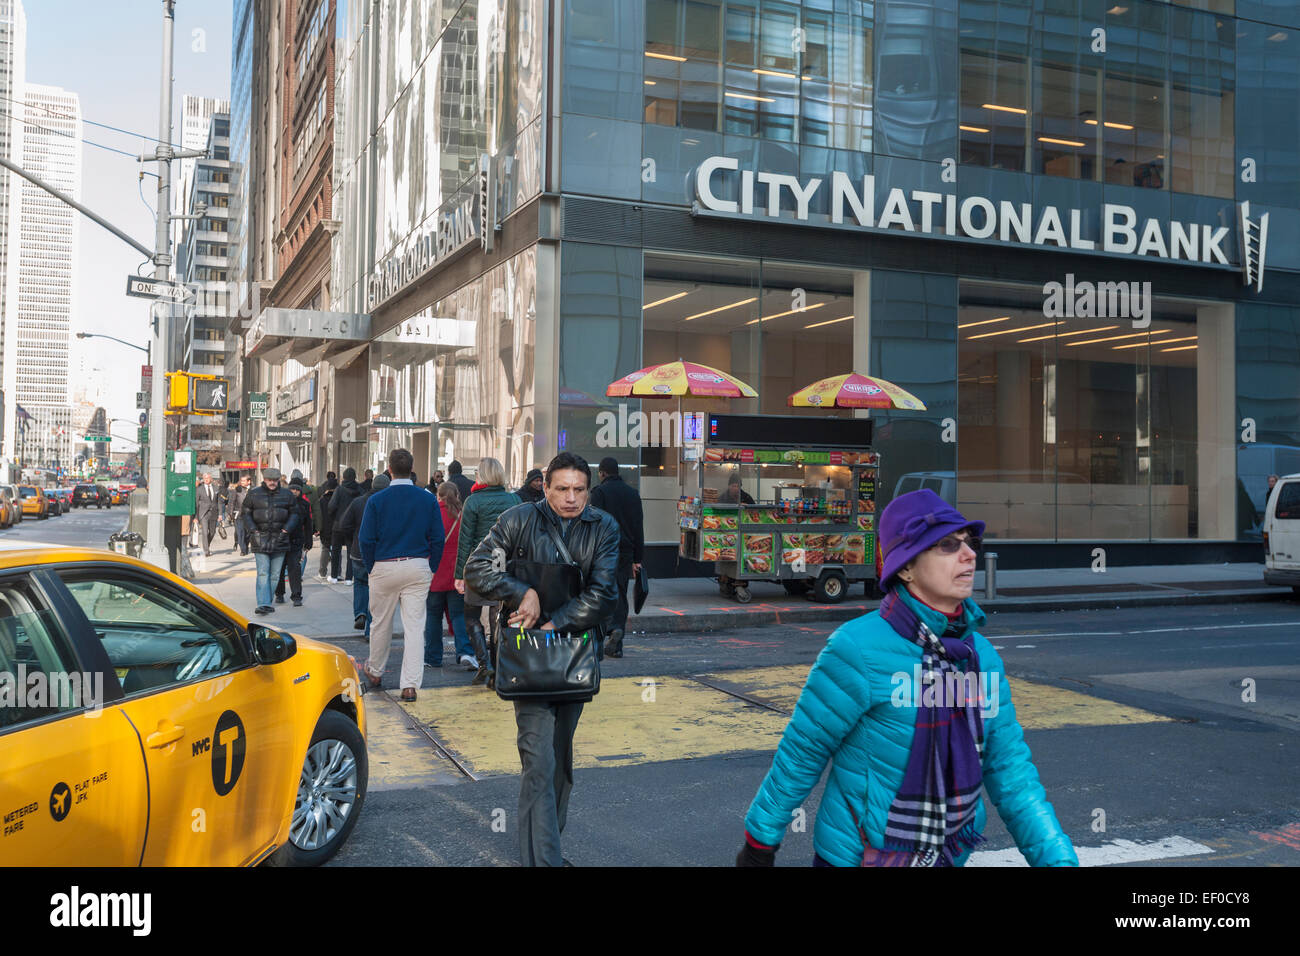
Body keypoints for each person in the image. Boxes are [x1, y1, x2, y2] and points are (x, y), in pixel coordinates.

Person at [736, 489, 1077, 868]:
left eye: (970, 543)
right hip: (858, 857)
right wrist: (759, 842)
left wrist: (1058, 860)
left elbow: (1012, 775)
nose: (969, 555)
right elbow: (803, 752)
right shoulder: (858, 648)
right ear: (906, 568)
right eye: (948, 545)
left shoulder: (982, 660)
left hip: (947, 857)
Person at [465, 451, 620, 867]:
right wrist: (521, 592)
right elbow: (477, 567)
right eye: (562, 489)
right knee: (537, 761)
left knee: (559, 765)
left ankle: (545, 849)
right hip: (526, 663)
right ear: (544, 487)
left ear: (588, 490)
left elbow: (605, 594)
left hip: (572, 657)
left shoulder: (603, 527)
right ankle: (546, 861)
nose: (571, 498)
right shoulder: (517, 520)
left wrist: (553, 626)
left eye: (579, 490)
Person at [358, 449, 444, 702]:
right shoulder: (427, 499)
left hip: (384, 565)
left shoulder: (377, 500)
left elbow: (366, 539)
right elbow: (437, 537)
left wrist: (371, 565)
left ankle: (375, 671)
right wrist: (432, 566)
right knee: (415, 627)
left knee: (380, 623)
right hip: (417, 565)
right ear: (412, 468)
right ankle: (409, 685)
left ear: (389, 469)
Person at [454, 457, 521, 686]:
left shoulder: (473, 502)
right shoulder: (514, 499)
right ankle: (498, 668)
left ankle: (485, 665)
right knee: (498, 618)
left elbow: (466, 541)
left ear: (481, 476)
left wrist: (459, 574)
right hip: (504, 563)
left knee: (471, 615)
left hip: (478, 563)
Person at [588, 456, 644, 659]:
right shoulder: (632, 494)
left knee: (602, 591)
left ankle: (605, 632)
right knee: (620, 592)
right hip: (626, 552)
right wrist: (638, 558)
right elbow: (639, 527)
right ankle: (617, 637)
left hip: (603, 551)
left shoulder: (599, 493)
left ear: (602, 473)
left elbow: (592, 524)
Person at [426, 482, 474, 670]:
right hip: (457, 574)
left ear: (438, 495)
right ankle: (465, 652)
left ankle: (432, 656)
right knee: (458, 615)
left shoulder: (431, 514)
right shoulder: (462, 515)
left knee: (433, 616)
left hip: (434, 574)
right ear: (457, 494)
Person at [240, 468, 300, 616]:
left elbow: (295, 514)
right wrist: (254, 531)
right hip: (260, 538)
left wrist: (286, 530)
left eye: (275, 480)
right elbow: (245, 513)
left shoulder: (287, 495)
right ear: (264, 479)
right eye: (269, 480)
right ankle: (264, 603)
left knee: (274, 574)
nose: (272, 482)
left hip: (280, 538)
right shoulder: (254, 493)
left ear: (279, 480)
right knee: (263, 572)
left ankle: (267, 601)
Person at [339, 473, 388, 639]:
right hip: (380, 554)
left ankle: (360, 613)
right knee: (377, 591)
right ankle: (370, 631)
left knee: (360, 584)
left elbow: (344, 524)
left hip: (358, 551)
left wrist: (353, 537)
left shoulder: (358, 502)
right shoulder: (388, 505)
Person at [274, 474, 315, 607]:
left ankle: (296, 595)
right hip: (282, 540)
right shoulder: (283, 502)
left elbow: (309, 524)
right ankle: (279, 594)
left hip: (297, 541)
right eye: (292, 489)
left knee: (294, 569)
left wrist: (309, 541)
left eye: (297, 489)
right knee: (279, 568)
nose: (295, 492)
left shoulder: (305, 504)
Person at [328, 467, 363, 581]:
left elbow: (331, 506)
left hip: (338, 524)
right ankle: (349, 578)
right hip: (352, 526)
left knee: (336, 551)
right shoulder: (359, 490)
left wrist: (334, 517)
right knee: (350, 552)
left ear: (344, 477)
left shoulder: (339, 490)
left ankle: (334, 576)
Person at [313, 471, 338, 580]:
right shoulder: (339, 497)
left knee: (325, 549)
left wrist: (318, 528)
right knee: (337, 550)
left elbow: (318, 514)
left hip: (325, 527)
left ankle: (322, 572)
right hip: (337, 527)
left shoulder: (322, 499)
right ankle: (337, 572)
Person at [194, 472, 225, 556]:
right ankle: (206, 551)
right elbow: (196, 503)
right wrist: (195, 516)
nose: (206, 480)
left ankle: (207, 545)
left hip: (214, 513)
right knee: (204, 531)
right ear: (203, 479)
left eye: (208, 478)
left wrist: (220, 514)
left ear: (211, 478)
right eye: (205, 478)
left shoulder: (216, 488)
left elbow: (219, 501)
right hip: (203, 513)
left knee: (212, 532)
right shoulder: (199, 489)